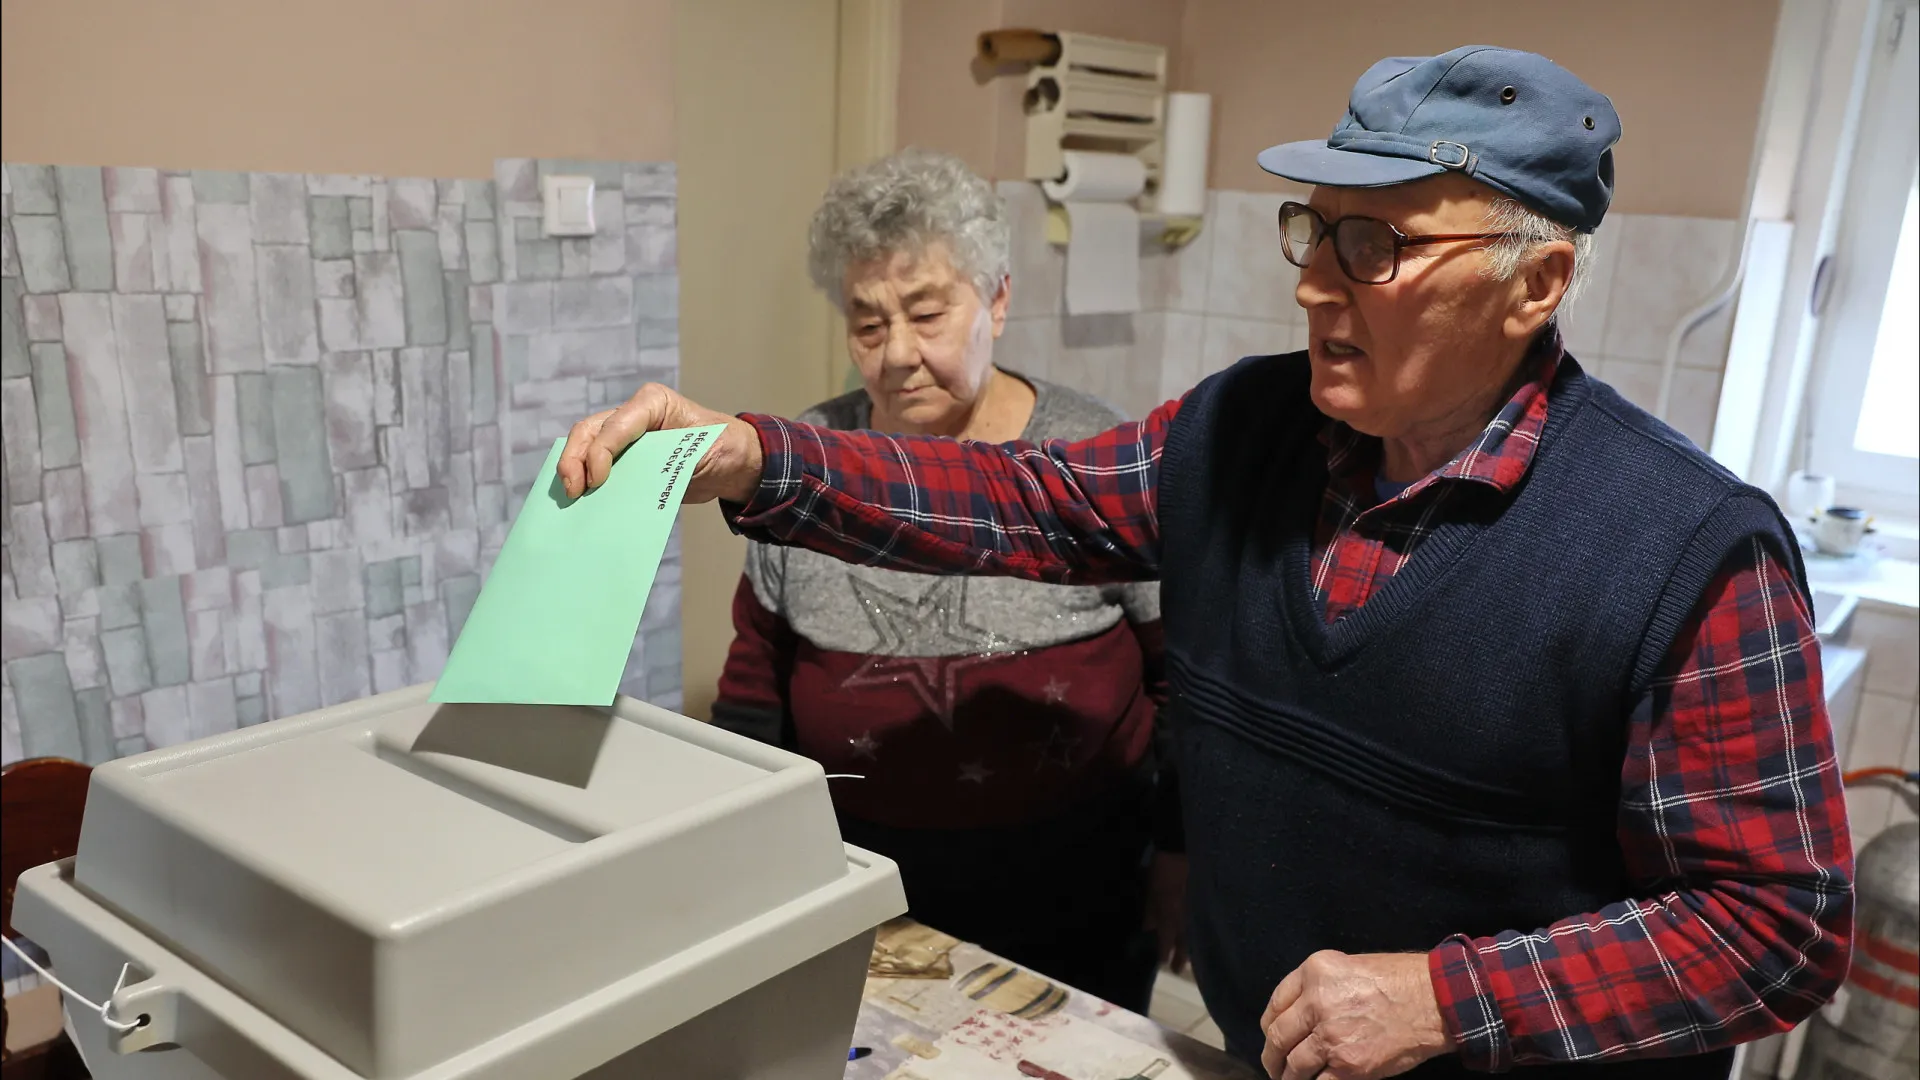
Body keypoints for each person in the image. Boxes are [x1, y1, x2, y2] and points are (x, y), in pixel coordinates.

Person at [563, 47, 1853, 1080]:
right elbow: (1028, 499)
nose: (1315, 287)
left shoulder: (1685, 548)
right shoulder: (1243, 428)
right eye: (1317, 230)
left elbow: (1777, 926)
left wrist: (1447, 1000)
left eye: (1379, 247)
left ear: (1538, 283)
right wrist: (753, 455)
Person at [707, 149, 1182, 1014]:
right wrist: (749, 857)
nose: (896, 356)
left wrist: (1183, 856)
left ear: (997, 299)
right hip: (865, 886)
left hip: (1078, 890)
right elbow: (753, 685)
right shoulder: (804, 466)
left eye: (927, 314)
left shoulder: (1089, 455)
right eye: (867, 323)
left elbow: (1180, 675)